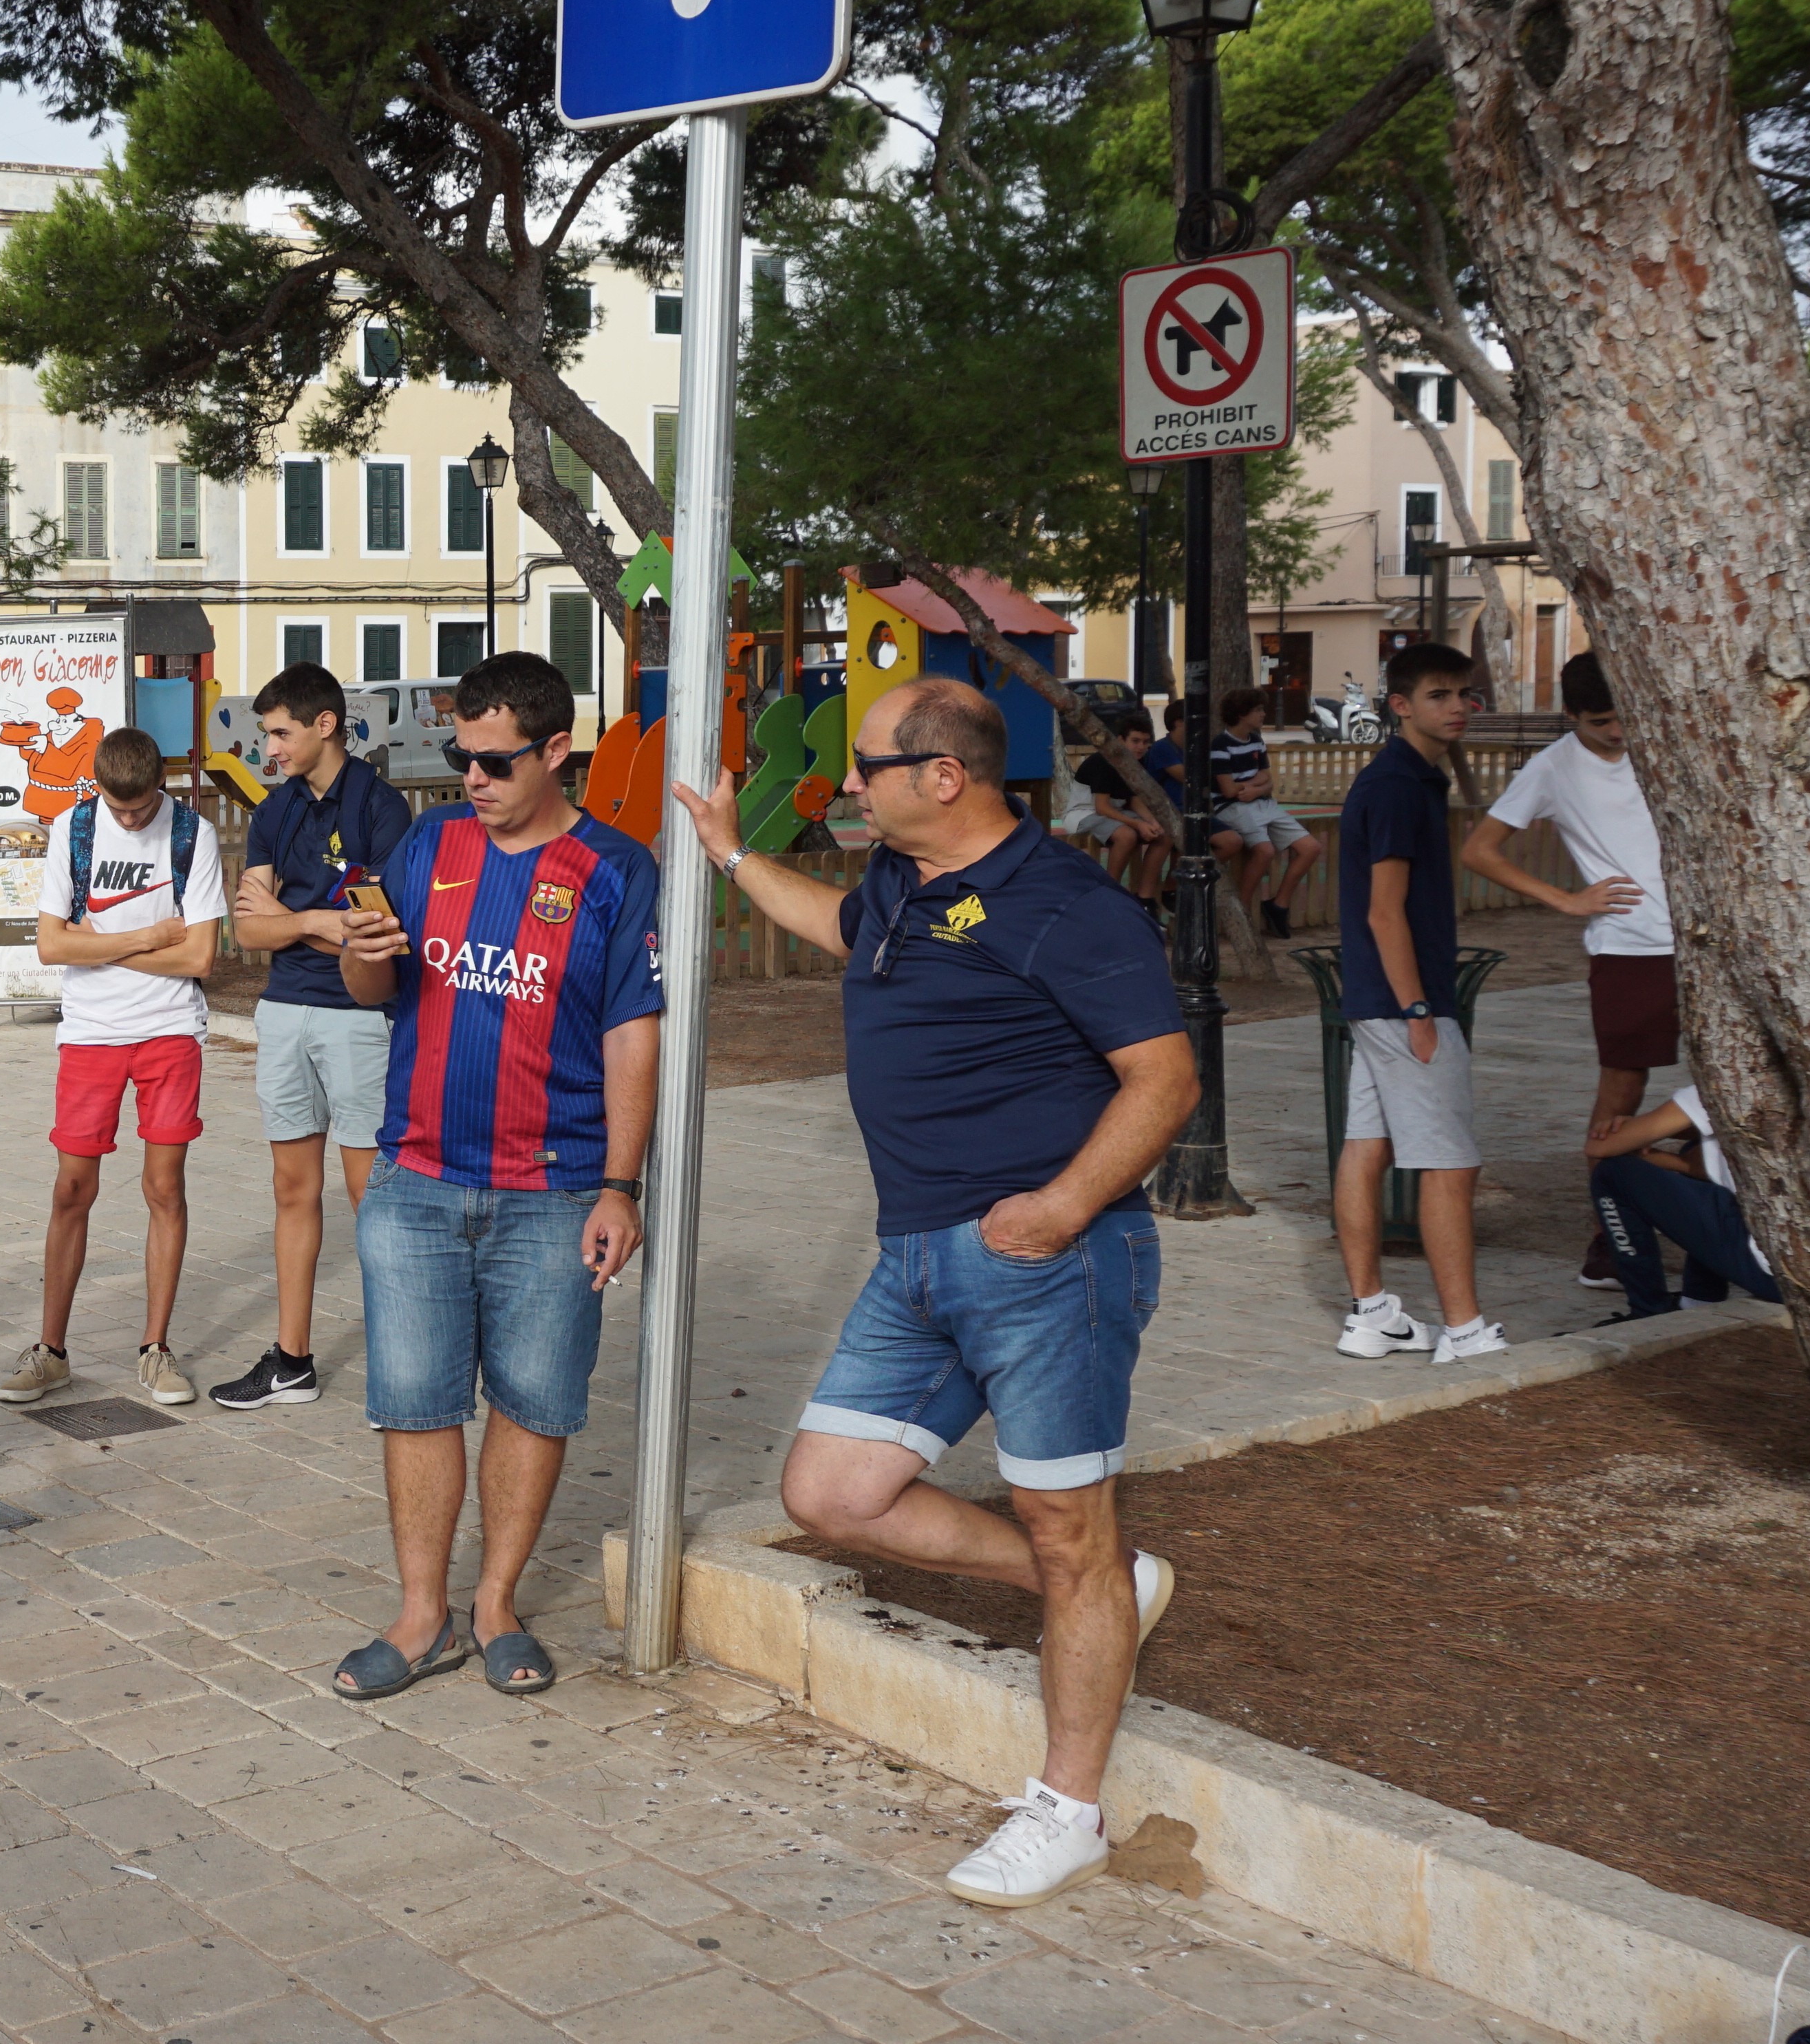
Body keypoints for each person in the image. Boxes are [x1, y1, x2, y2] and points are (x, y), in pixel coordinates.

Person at [678, 676, 1198, 1909]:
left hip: (1046, 1264)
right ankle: (1107, 1594)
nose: (850, 784)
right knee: (834, 1492)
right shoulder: (904, 889)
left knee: (1070, 1525)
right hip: (914, 1257)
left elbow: (1165, 1081)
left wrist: (1064, 1207)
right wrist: (733, 856)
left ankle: (1068, 1807)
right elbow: (844, 931)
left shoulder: (1069, 905)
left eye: (869, 766)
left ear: (945, 778)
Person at [323, 654, 660, 1701]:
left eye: (496, 761)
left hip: (553, 1193)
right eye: (460, 758)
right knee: (415, 1406)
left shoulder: (614, 870)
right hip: (416, 1181)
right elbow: (373, 985)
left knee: (534, 1404)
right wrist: (363, 944)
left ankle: (497, 1605)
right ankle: (423, 1618)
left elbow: (632, 1036)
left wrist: (622, 1187)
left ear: (557, 750)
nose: (472, 778)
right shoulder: (433, 843)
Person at [0, 725, 227, 1412]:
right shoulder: (73, 827)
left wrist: (98, 944)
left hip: (168, 1028)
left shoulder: (195, 835)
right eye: (117, 807)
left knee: (165, 1186)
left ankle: (155, 1349)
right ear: (96, 786)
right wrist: (151, 934)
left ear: (161, 783)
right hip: (92, 1032)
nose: (129, 819)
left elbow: (199, 959)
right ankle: (51, 1351)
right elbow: (48, 944)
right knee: (72, 1187)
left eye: (141, 807)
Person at [217, 663, 414, 1413]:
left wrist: (299, 922)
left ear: (325, 725)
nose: (269, 747)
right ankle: (292, 1360)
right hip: (284, 1012)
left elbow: (383, 934)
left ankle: (405, 1363)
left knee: (374, 1198)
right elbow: (249, 927)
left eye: (279, 731)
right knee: (292, 1189)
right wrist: (314, 921)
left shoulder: (381, 808)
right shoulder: (275, 810)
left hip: (360, 1021)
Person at [1462, 654, 1672, 1295]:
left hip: (1711, 946)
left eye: (1621, 718)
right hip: (1629, 947)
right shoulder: (1551, 766)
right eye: (1600, 722)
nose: (1616, 732)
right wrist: (1567, 900)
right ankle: (1610, 1240)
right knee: (1622, 1091)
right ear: (1572, 717)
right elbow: (1478, 849)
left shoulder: (1666, 738)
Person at [1330, 642, 1505, 1364]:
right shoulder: (1399, 786)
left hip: (1378, 1002)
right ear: (1401, 705)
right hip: (1404, 1004)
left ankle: (1372, 1314)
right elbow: (1384, 912)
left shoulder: (1406, 779)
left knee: (1366, 1150)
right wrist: (1417, 1009)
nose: (1458, 706)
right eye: (1439, 695)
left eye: (1465, 694)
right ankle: (1464, 1331)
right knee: (1450, 1163)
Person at [1584, 1087, 1786, 1317]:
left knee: (1613, 1174)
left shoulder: (1728, 1086)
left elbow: (1598, 1146)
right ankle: (1698, 1300)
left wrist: (1642, 1136)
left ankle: (1646, 1311)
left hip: (1775, 1279)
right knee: (1700, 1147)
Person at [1201, 687, 1318, 938]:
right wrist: (1256, 785)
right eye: (1258, 710)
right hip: (1233, 808)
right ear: (1242, 714)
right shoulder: (1221, 744)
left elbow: (1268, 778)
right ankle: (1240, 912)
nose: (1264, 714)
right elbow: (1228, 790)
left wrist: (1254, 788)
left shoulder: (1256, 740)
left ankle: (1279, 904)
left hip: (1262, 803)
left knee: (1311, 848)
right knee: (1264, 850)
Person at [1067, 713, 1172, 898]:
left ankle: (1145, 898)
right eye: (1136, 741)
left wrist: (1151, 821)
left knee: (1164, 834)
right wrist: (1139, 824)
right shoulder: (1104, 762)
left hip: (1115, 811)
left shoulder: (1138, 763)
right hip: (1083, 813)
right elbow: (1102, 807)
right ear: (1121, 740)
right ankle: (1110, 891)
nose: (1141, 747)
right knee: (1127, 835)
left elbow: (1135, 800)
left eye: (1146, 742)